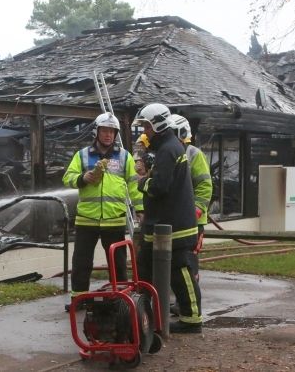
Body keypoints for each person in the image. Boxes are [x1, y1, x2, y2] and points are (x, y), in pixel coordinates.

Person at [131, 103, 203, 334]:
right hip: (159, 223)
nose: (144, 131)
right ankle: (144, 313)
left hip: (175, 225)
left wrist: (142, 182)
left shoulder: (169, 149)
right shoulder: (164, 146)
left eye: (146, 126)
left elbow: (160, 186)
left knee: (180, 273)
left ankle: (191, 320)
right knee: (144, 268)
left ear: (157, 125)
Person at [62, 112, 143, 309]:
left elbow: (134, 186)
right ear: (97, 132)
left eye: (112, 132)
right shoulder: (82, 155)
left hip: (114, 219)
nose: (108, 135)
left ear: (116, 134)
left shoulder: (125, 157)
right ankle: (78, 300)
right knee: (82, 263)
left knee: (118, 263)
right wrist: (83, 178)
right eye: (104, 131)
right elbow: (67, 178)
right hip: (86, 219)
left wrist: (140, 209)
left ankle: (120, 300)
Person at [168, 114, 213, 251]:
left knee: (188, 259)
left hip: (192, 220)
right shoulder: (167, 153)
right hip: (172, 217)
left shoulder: (194, 154)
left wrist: (196, 209)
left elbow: (205, 185)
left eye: (171, 133)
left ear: (181, 133)